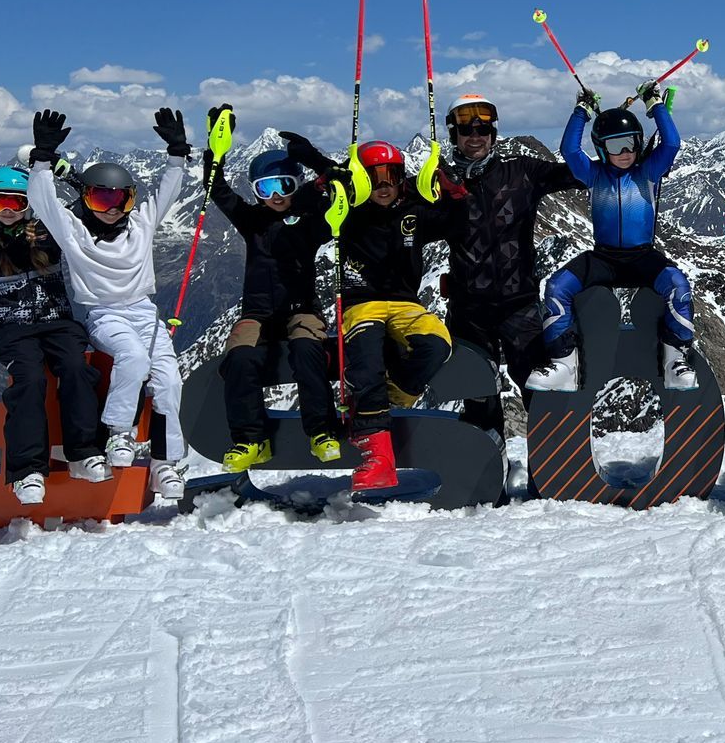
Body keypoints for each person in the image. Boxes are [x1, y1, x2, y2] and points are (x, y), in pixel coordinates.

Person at [26, 108, 191, 500]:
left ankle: (165, 465)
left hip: (144, 311)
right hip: (104, 314)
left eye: (120, 198)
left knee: (170, 381)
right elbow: (43, 200)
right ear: (86, 200)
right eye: (101, 198)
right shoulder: (73, 232)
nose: (112, 207)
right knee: (132, 358)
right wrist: (42, 159)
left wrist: (177, 154)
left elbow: (168, 192)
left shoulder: (141, 225)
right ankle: (120, 434)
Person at [281, 132, 458, 491]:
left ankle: (393, 395)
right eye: (374, 177)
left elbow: (456, 220)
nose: (384, 185)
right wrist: (318, 166)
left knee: (437, 344)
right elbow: (300, 207)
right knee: (365, 357)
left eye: (391, 175)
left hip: (407, 304)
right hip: (361, 304)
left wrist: (452, 191)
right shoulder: (346, 211)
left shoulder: (414, 210)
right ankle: (376, 457)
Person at [0, 148, 107, 503]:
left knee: (76, 368)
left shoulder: (50, 232)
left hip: (58, 324)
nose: (8, 210)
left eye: (16, 201)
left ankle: (85, 452)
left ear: (29, 203)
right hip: (15, 331)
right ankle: (27, 471)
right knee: (29, 380)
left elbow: (90, 204)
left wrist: (58, 168)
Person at [527, 82, 697, 394]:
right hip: (603, 257)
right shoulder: (593, 174)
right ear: (602, 148)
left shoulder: (648, 172)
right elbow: (570, 150)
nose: (625, 153)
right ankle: (564, 363)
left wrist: (655, 104)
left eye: (631, 143)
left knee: (678, 286)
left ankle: (676, 360)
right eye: (615, 146)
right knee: (557, 287)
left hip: (642, 256)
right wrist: (581, 111)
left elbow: (671, 143)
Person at [203, 106, 345, 472]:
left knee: (308, 351)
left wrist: (318, 163)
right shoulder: (253, 221)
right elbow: (217, 189)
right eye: (266, 188)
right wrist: (215, 152)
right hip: (258, 313)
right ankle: (251, 439)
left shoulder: (312, 221)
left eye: (285, 185)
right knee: (239, 358)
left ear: (297, 184)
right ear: (256, 193)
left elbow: (344, 189)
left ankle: (321, 431)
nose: (277, 196)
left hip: (301, 310)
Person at [435, 92, 584, 438]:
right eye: (467, 130)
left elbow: (579, 174)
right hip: (469, 313)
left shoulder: (521, 172)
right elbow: (392, 210)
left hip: (520, 306)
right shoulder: (440, 183)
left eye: (483, 130)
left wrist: (623, 148)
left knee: (539, 390)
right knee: (478, 397)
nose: (476, 137)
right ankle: (488, 465)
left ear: (493, 134)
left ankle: (552, 460)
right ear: (454, 135)